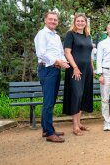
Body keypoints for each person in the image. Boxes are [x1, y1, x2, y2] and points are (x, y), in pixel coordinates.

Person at [34, 11, 70, 143]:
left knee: (52, 100)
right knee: (48, 101)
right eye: (50, 19)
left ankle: (46, 129)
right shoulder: (42, 34)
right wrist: (57, 61)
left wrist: (63, 62)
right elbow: (41, 53)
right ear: (45, 20)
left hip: (55, 70)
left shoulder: (56, 36)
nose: (53, 21)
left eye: (55, 20)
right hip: (47, 69)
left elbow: (60, 53)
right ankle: (49, 133)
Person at [63, 13, 94, 136]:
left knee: (83, 95)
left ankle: (79, 123)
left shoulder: (88, 36)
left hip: (87, 70)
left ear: (85, 23)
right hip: (75, 69)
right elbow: (67, 52)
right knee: (77, 94)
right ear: (74, 22)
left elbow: (89, 54)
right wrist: (74, 67)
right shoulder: (70, 34)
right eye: (78, 21)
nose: (80, 23)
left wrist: (92, 67)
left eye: (82, 21)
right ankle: (75, 126)